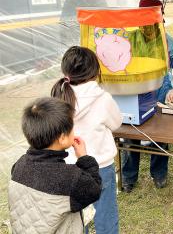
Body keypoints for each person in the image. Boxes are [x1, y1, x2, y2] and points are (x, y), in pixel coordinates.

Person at [121, 0, 173, 192]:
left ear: (161, 18)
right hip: (133, 95)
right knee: (129, 137)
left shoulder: (168, 42)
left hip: (159, 98)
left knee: (159, 137)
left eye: (155, 20)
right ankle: (128, 177)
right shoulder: (128, 39)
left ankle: (159, 174)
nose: (149, 27)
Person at [51, 46, 123, 234]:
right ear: (95, 71)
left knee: (77, 218)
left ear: (66, 71)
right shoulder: (103, 97)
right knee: (105, 216)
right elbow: (116, 123)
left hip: (68, 167)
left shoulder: (58, 95)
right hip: (100, 166)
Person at [8, 97, 102, 234]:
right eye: (72, 127)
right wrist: (84, 158)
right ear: (62, 138)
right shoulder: (69, 178)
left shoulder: (19, 164)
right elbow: (93, 189)